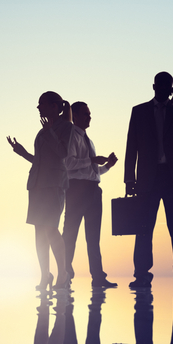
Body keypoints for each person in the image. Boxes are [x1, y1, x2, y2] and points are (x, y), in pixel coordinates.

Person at [124, 72, 173, 289]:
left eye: (169, 87)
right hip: (148, 177)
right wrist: (129, 178)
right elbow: (131, 145)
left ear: (172, 89)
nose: (164, 89)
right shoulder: (138, 111)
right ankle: (141, 275)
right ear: (154, 86)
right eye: (161, 85)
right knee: (143, 227)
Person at [8, 92, 75, 291]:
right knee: (39, 232)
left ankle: (62, 274)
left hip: (54, 185)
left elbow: (63, 153)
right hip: (37, 185)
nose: (38, 107)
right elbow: (39, 160)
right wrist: (22, 153)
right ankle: (45, 275)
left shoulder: (66, 127)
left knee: (51, 229)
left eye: (41, 104)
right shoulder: (42, 131)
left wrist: (50, 132)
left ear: (54, 106)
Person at [63, 101, 118, 289]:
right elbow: (68, 164)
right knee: (70, 234)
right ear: (75, 116)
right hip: (77, 190)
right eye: (86, 114)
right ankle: (64, 274)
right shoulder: (71, 136)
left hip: (93, 190)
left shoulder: (89, 139)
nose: (89, 117)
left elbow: (91, 172)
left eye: (90, 113)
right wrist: (92, 160)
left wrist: (107, 167)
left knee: (93, 236)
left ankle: (98, 277)